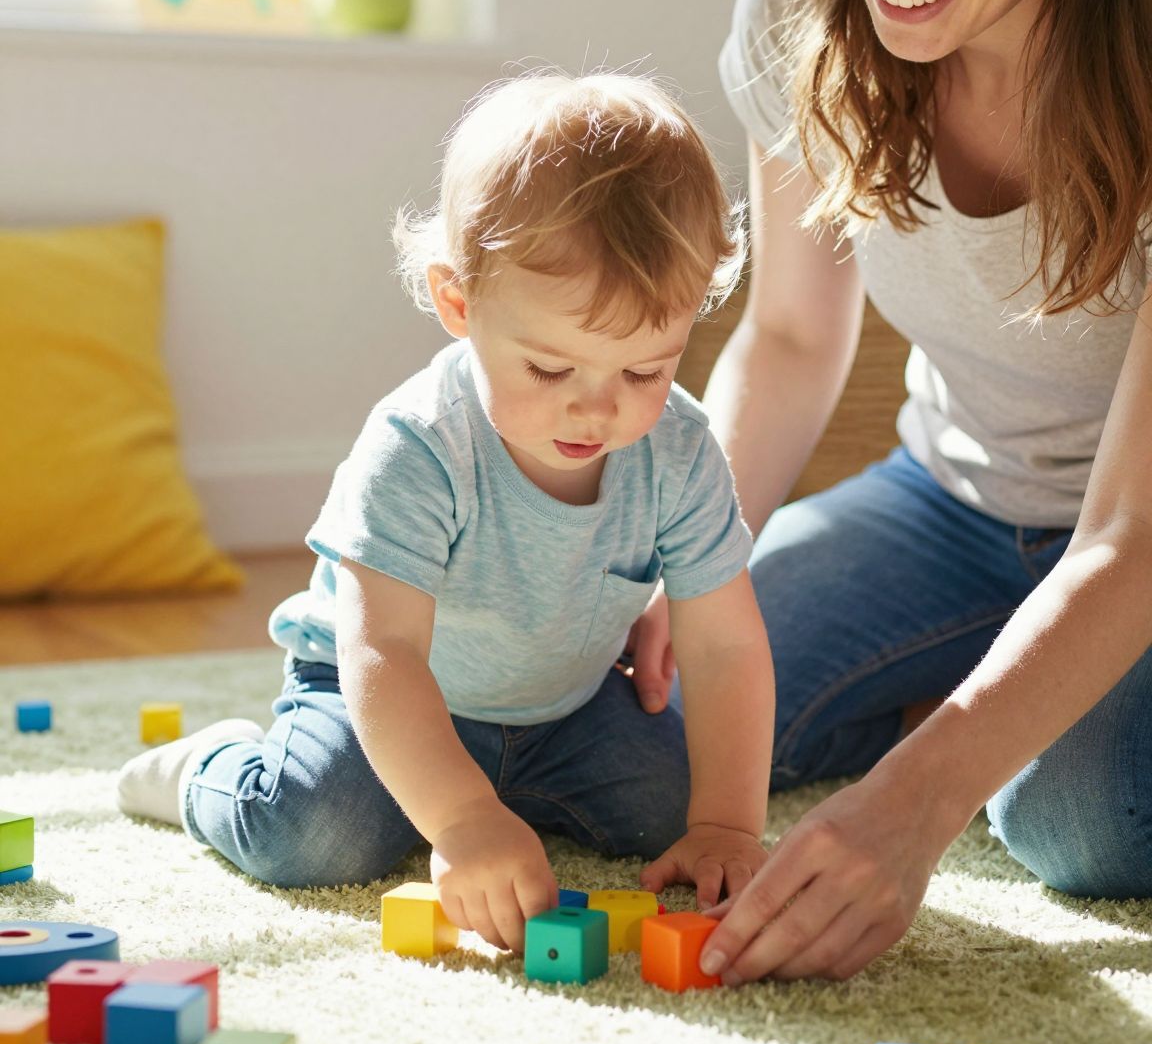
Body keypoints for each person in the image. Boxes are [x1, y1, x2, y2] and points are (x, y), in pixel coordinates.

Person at [624, 0, 1152, 986]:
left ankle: (964, 713)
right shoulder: (803, 11)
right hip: (953, 500)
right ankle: (967, 689)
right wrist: (690, 565)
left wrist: (921, 801)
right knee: (655, 720)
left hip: (1137, 540)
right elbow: (795, 336)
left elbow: (1130, 534)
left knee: (1079, 817)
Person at [116, 73, 775, 950]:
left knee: (673, 811)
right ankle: (209, 768)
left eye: (644, 370)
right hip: (381, 695)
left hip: (565, 710)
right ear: (459, 303)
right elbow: (382, 651)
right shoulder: (420, 444)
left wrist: (728, 824)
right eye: (550, 369)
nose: (597, 409)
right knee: (310, 834)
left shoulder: (681, 450)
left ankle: (510, 799)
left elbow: (726, 645)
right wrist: (461, 819)